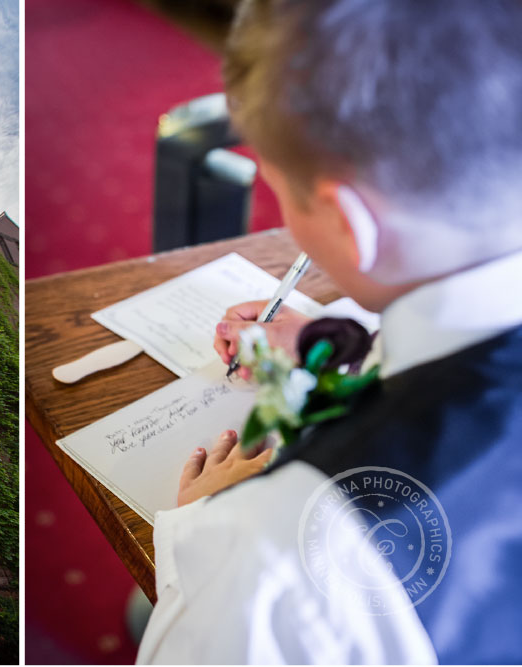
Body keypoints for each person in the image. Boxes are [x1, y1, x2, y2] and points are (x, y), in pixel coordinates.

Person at [137, 0, 522, 663]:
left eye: (279, 188)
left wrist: (202, 523)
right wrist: (343, 342)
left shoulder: (269, 550)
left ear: (347, 222)